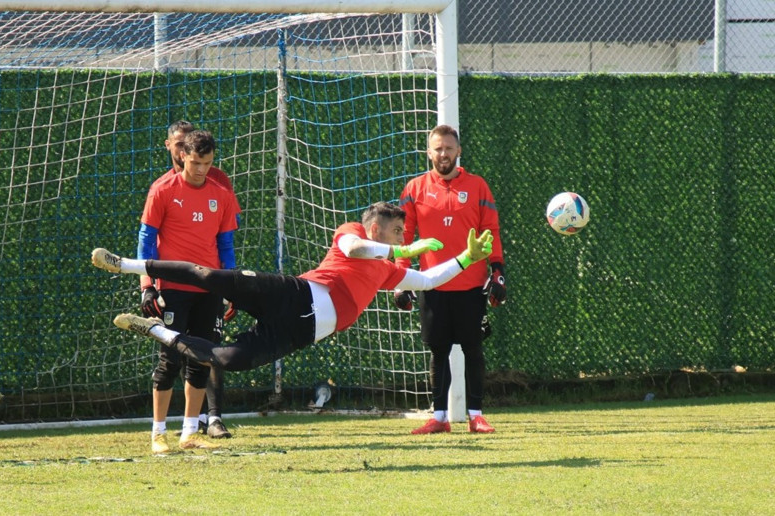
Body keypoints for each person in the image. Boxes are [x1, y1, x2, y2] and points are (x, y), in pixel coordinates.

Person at [91, 202, 493, 378]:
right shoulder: (354, 232)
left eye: (404, 234)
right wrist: (402, 250)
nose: (403, 237)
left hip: (303, 331)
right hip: (297, 294)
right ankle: (124, 264)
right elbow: (354, 249)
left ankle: (154, 330)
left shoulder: (386, 271)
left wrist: (465, 259)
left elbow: (427, 281)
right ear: (376, 228)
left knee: (227, 360)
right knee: (210, 276)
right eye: (398, 230)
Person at [395, 124, 506, 434]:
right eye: (438, 148)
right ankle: (440, 417)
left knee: (473, 350)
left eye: (448, 148)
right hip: (431, 284)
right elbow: (403, 237)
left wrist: (498, 272)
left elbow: (492, 231)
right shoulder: (414, 188)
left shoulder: (478, 186)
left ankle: (476, 416)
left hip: (471, 286)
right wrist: (402, 279)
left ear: (459, 151)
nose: (443, 153)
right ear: (429, 152)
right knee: (438, 351)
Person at [136, 129, 241, 453]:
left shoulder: (220, 194)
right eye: (195, 163)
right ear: (183, 156)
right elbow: (146, 241)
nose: (200, 170)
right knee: (169, 361)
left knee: (202, 360)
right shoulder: (162, 190)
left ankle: (189, 433)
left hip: (208, 289)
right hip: (173, 289)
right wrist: (147, 286)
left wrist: (231, 287)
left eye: (207, 163)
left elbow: (226, 246)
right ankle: (158, 434)